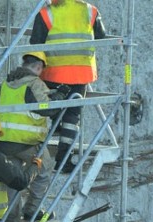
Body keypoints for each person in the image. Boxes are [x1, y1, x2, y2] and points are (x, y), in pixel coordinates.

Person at [30, 0, 106, 171]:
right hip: (81, 73)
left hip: (53, 73)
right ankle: (64, 159)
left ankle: (55, 129)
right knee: (72, 117)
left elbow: (35, 43)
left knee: (54, 107)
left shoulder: (46, 13)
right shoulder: (90, 11)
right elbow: (101, 36)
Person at [0, 51, 56, 222]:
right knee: (44, 169)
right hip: (26, 142)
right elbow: (47, 108)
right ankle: (32, 210)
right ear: (38, 67)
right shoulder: (34, 83)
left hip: (4, 142)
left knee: (13, 187)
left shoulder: (7, 83)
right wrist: (61, 96)